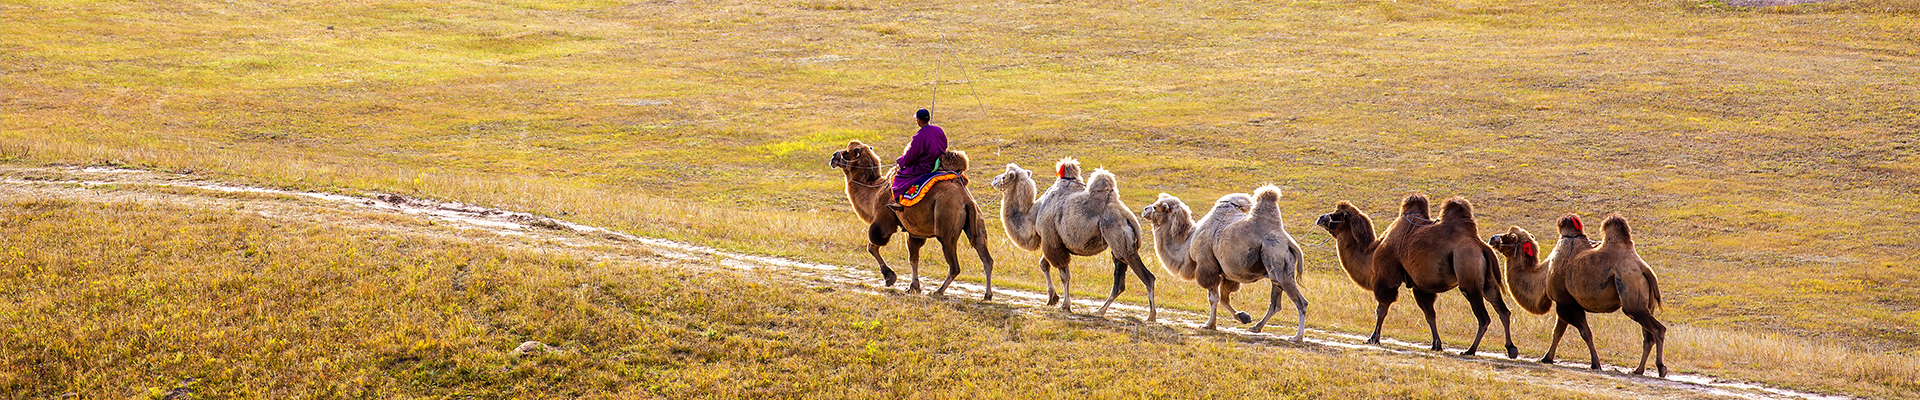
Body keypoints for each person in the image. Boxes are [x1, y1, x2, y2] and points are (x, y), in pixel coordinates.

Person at [888, 109, 947, 211]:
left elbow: (912, 156)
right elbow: (944, 145)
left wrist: (901, 160)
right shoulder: (939, 130)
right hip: (939, 162)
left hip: (924, 167)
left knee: (899, 177)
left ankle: (898, 202)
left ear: (919, 121)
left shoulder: (918, 137)